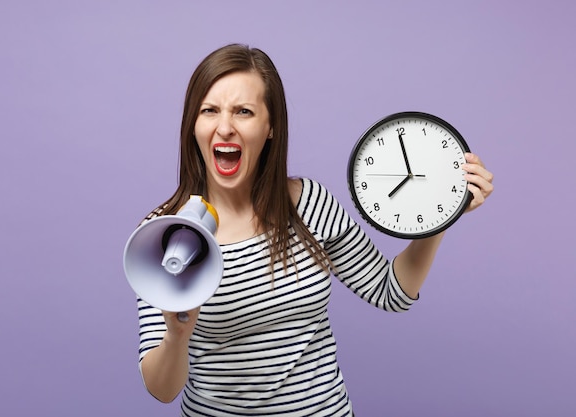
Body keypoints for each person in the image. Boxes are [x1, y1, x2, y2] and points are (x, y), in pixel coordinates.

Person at [132, 43, 494, 416]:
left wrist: (440, 218)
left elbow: (391, 292)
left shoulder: (310, 204)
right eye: (210, 111)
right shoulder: (162, 236)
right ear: (194, 124)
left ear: (270, 126)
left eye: (244, 111)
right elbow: (162, 390)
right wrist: (177, 334)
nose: (225, 127)